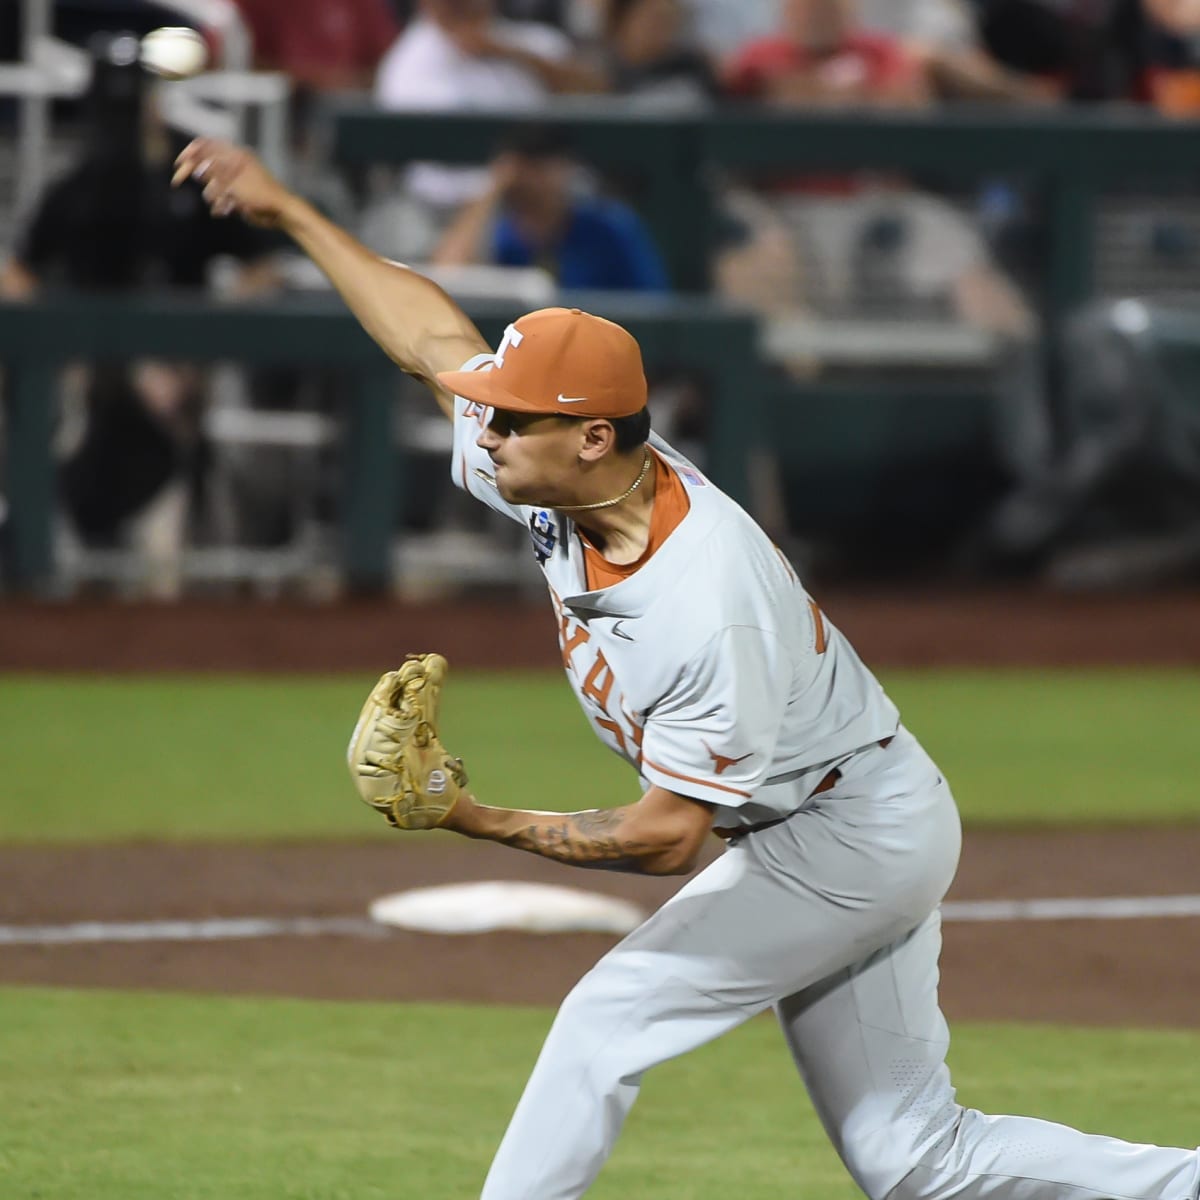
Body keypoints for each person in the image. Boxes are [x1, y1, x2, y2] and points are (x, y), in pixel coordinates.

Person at [174, 134, 1200, 1200]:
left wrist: (471, 817)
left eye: (513, 417)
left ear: (590, 438)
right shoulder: (562, 470)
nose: (484, 426)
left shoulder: (707, 604)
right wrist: (288, 209)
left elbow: (670, 839)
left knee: (602, 1025)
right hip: (854, 812)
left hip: (844, 836)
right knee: (915, 1160)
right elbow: (430, 339)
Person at [1, 36, 280, 597]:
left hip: (181, 378)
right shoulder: (81, 182)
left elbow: (263, 266)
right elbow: (18, 273)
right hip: (89, 379)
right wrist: (70, 356)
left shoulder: (189, 173)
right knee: (61, 469)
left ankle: (184, 607)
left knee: (172, 536)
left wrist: (202, 342)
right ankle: (51, 579)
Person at [430, 124, 670, 290]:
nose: (535, 179)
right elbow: (449, 276)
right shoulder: (496, 230)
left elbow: (652, 302)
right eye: (525, 166)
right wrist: (492, 188)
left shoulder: (608, 225)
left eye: (542, 166)